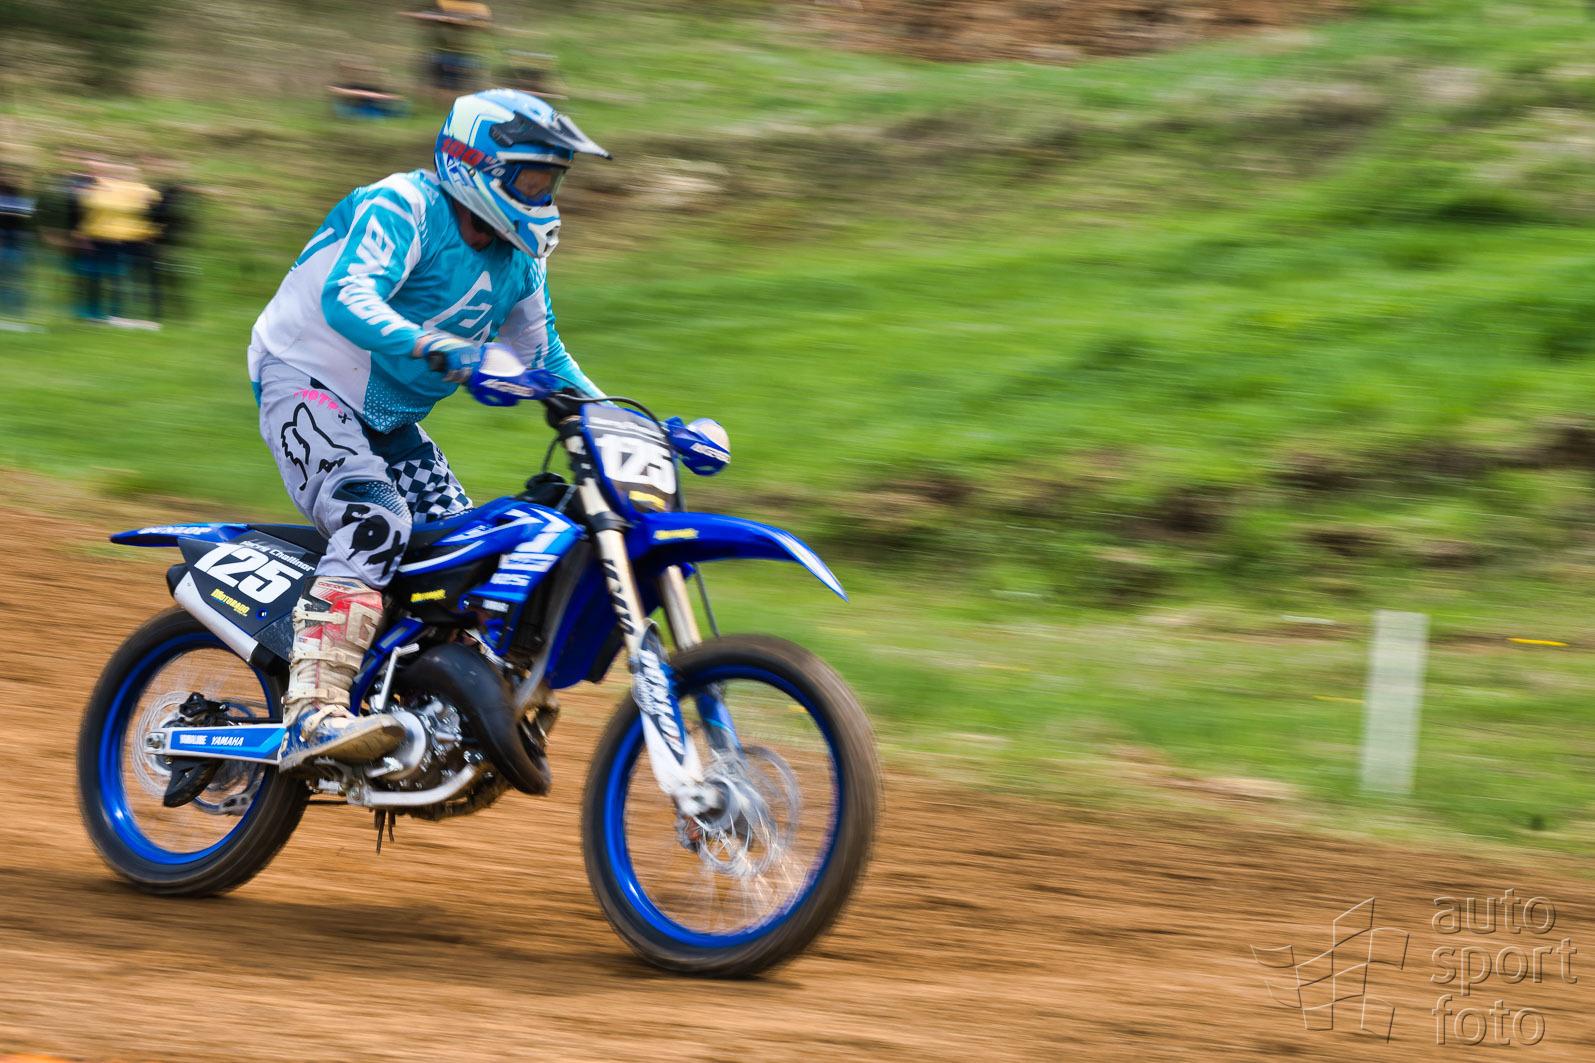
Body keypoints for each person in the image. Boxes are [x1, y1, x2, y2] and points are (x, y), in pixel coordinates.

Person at [247, 88, 610, 772]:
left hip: (386, 420)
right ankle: (312, 711)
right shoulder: (404, 205)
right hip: (305, 380)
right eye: (531, 178)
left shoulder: (520, 261)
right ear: (477, 164)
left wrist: (625, 422)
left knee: (465, 554)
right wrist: (441, 347)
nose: (543, 195)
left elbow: (546, 360)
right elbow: (348, 296)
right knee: (376, 520)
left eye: (550, 181)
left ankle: (436, 708)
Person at [0, 165, 36, 328]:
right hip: (11, 243)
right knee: (11, 277)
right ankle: (13, 311)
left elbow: (28, 214)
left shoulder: (19, 197)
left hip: (14, 243)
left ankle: (15, 311)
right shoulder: (17, 198)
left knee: (13, 277)